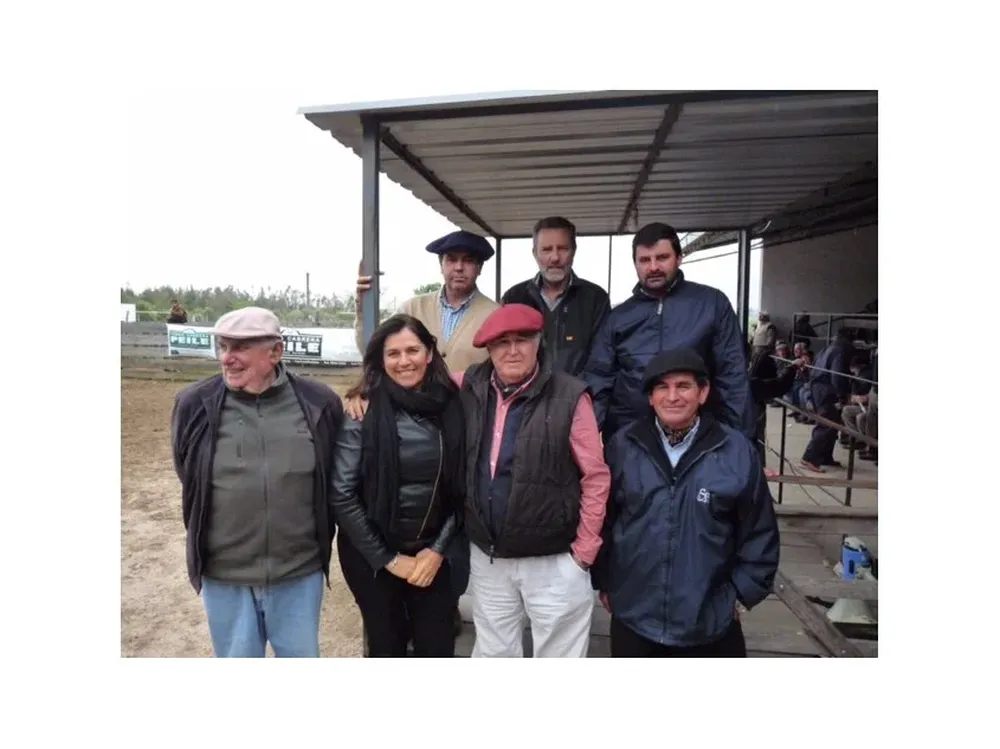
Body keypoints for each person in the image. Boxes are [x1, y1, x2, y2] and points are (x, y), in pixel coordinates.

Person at [169, 307, 344, 657]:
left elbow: (334, 477)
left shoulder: (320, 402)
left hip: (299, 573)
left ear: (276, 352)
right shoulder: (193, 404)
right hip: (225, 576)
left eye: (240, 347)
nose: (227, 358)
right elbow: (188, 472)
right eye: (223, 346)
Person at [592, 348, 780, 657]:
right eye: (662, 387)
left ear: (703, 393)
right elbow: (604, 521)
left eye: (683, 386)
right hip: (635, 616)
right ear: (650, 397)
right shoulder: (623, 447)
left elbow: (759, 530)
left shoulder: (735, 451)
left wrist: (740, 593)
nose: (672, 396)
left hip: (710, 621)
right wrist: (606, 581)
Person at [458, 304, 610, 657]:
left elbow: (595, 477)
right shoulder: (471, 384)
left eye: (522, 340)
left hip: (553, 559)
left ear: (538, 342)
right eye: (502, 342)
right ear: (488, 349)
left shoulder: (571, 395)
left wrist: (583, 553)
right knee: (494, 654)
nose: (513, 351)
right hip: (490, 557)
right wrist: (366, 389)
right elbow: (416, 377)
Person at [329, 315, 468, 657]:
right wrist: (389, 560)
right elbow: (342, 494)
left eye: (412, 350)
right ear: (380, 359)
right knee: (386, 646)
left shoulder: (454, 406)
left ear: (429, 353)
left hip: (431, 552)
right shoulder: (362, 411)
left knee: (437, 647)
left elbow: (462, 489)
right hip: (372, 557)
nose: (404, 361)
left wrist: (437, 551)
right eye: (393, 353)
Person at [583, 221, 755, 442]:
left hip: (698, 438)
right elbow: (599, 380)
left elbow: (733, 377)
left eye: (662, 257)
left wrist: (740, 445)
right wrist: (585, 442)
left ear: (679, 258)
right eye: (645, 260)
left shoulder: (712, 305)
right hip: (630, 438)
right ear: (635, 263)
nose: (653, 267)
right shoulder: (618, 318)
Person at [354, 229, 499, 372]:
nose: (459, 267)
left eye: (468, 260)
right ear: (441, 266)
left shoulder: (495, 315)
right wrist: (363, 308)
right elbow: (372, 349)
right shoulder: (412, 309)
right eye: (451, 259)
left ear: (479, 268)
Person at [501, 216, 611, 376]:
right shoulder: (514, 298)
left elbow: (601, 362)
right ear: (535, 253)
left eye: (563, 248)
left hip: (580, 391)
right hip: (527, 392)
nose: (555, 258)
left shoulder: (595, 299)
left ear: (574, 251)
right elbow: (505, 355)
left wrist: (579, 391)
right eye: (546, 249)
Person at [800, 328, 856, 472]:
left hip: (818, 386)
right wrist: (842, 395)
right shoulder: (841, 349)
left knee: (833, 424)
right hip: (826, 389)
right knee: (826, 424)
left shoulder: (829, 347)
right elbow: (837, 375)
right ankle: (809, 458)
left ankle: (825, 456)